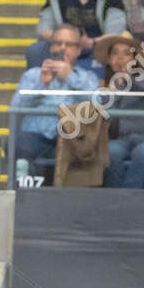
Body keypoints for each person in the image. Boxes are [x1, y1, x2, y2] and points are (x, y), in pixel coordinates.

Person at [12, 24, 100, 178]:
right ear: (51, 48)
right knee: (20, 142)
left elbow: (98, 104)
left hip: (72, 139)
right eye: (58, 43)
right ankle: (28, 192)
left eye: (69, 44)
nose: (62, 48)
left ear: (78, 50)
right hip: (36, 137)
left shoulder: (88, 77)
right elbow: (15, 107)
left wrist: (70, 77)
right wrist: (41, 85)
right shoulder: (33, 75)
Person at [95, 32, 144, 188]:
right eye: (115, 54)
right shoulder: (105, 87)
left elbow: (143, 89)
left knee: (143, 153)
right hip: (120, 140)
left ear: (135, 59)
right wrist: (111, 92)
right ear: (109, 60)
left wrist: (125, 79)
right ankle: (117, 195)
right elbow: (106, 117)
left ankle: (132, 193)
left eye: (126, 54)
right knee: (111, 151)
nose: (120, 58)